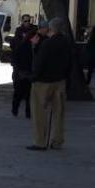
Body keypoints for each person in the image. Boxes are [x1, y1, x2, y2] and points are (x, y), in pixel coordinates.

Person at [28, 17, 73, 151]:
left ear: (50, 29)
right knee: (59, 113)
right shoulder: (66, 42)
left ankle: (40, 142)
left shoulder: (47, 44)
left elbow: (39, 63)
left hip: (43, 82)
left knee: (39, 113)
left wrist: (33, 77)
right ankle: (57, 140)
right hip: (60, 81)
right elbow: (70, 62)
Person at [11, 25, 38, 118]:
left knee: (30, 94)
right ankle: (15, 108)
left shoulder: (38, 47)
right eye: (36, 37)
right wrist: (18, 70)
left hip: (31, 73)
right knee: (19, 92)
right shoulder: (23, 47)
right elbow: (16, 58)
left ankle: (28, 112)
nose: (37, 39)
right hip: (23, 72)